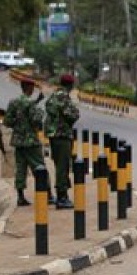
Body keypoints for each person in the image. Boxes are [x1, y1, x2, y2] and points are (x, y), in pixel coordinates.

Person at [4, 78, 48, 207]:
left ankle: (20, 196)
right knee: (39, 167)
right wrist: (39, 112)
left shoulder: (14, 102)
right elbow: (36, 121)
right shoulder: (30, 103)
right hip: (31, 141)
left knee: (20, 168)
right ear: (30, 88)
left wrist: (18, 125)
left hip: (18, 140)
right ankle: (47, 194)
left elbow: (7, 121)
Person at [44, 73, 80, 209]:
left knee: (60, 164)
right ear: (70, 85)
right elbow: (72, 115)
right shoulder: (63, 97)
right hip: (62, 135)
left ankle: (62, 194)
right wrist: (76, 110)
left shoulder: (54, 95)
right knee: (62, 167)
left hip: (55, 136)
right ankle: (62, 197)